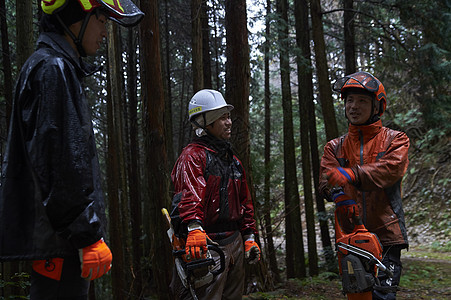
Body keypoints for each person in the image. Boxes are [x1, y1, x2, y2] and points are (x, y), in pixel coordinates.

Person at [0, 0, 143, 299]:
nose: (106, 32)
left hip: (60, 243)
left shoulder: (52, 67)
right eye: (102, 20)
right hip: (61, 246)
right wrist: (87, 236)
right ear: (76, 16)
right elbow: (60, 164)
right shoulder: (52, 69)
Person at [319, 71, 410, 300]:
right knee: (357, 296)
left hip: (387, 234)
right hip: (351, 235)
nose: (354, 106)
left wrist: (351, 174)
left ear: (377, 106)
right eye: (349, 100)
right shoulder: (334, 147)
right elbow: (325, 180)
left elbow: (391, 169)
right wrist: (338, 195)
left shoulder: (395, 139)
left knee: (383, 296)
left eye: (361, 101)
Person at [169, 89, 261, 299]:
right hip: (206, 244)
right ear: (205, 122)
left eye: (228, 116)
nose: (228, 122)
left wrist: (249, 237)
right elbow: (189, 195)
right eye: (222, 117)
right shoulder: (193, 157)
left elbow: (245, 203)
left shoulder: (233, 161)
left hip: (235, 242)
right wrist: (194, 228)